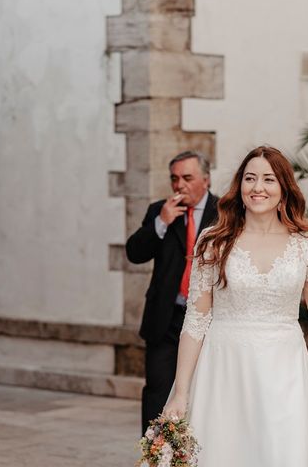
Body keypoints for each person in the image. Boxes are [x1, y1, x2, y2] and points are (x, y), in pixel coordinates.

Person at [163, 146, 308, 466]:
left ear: (284, 188)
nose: (258, 187)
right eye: (250, 178)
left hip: (284, 369)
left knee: (282, 453)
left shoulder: (306, 244)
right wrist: (181, 391)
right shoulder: (213, 241)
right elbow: (195, 321)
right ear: (240, 187)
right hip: (224, 367)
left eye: (268, 179)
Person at [125, 150, 218, 434]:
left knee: (204, 392)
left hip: (209, 321)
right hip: (165, 319)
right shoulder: (159, 211)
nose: (180, 185)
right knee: (157, 391)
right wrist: (161, 222)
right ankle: (155, 456)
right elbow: (134, 253)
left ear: (206, 179)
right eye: (175, 179)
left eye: (187, 178)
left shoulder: (226, 211)